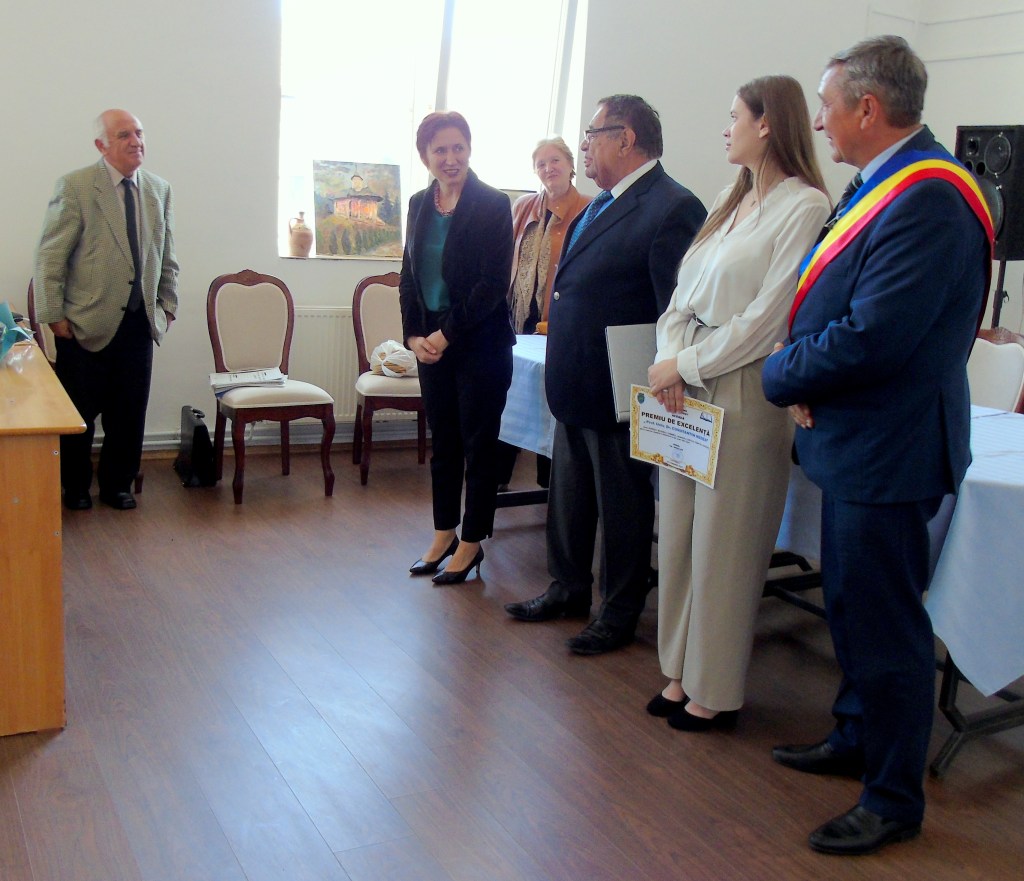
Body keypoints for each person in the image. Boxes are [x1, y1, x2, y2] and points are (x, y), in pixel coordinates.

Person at [761, 36, 992, 856]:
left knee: (887, 628)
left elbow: (872, 337)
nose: (819, 120)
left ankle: (893, 797)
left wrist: (781, 373)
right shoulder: (888, 182)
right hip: (859, 439)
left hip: (891, 450)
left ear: (868, 107)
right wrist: (806, 372)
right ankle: (857, 734)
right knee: (852, 610)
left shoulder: (929, 197)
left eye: (828, 105)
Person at [646, 76, 830, 732]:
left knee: (726, 548)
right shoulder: (731, 197)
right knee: (680, 538)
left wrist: (687, 363)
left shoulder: (804, 206)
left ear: (767, 124)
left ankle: (714, 689)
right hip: (683, 381)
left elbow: (767, 318)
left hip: (745, 388)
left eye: (734, 117)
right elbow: (680, 296)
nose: (725, 129)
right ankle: (677, 670)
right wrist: (671, 357)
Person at [504, 95, 707, 655]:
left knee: (622, 506)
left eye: (592, 134)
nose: (585, 145)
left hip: (623, 388)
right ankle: (567, 588)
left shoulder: (672, 206)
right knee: (568, 496)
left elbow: (676, 308)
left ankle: (618, 609)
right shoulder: (602, 202)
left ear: (626, 138)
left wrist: (667, 375)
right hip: (576, 381)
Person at [34, 109, 179, 511]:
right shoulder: (77, 187)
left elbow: (167, 254)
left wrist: (167, 307)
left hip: (139, 323)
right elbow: (49, 258)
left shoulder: (159, 189)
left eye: (139, 132)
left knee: (129, 413)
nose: (136, 141)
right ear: (101, 145)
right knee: (78, 414)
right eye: (123, 135)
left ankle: (118, 485)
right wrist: (54, 316)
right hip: (84, 323)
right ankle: (76, 488)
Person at [400, 111, 515, 585]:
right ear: (424, 155)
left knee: (479, 447)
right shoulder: (418, 203)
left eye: (458, 148)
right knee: (443, 444)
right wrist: (413, 336)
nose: (451, 158)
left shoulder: (493, 203)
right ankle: (443, 532)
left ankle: (472, 541)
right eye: (440, 150)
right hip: (430, 345)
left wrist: (445, 335)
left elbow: (491, 285)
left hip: (479, 343)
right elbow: (409, 276)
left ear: (469, 149)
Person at [496, 136, 591, 490]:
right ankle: (498, 477)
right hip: (518, 313)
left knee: (549, 396)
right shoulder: (523, 206)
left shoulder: (588, 207)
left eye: (555, 161)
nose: (548, 169)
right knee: (512, 392)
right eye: (541, 164)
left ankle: (549, 482)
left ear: (570, 165)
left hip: (559, 317)